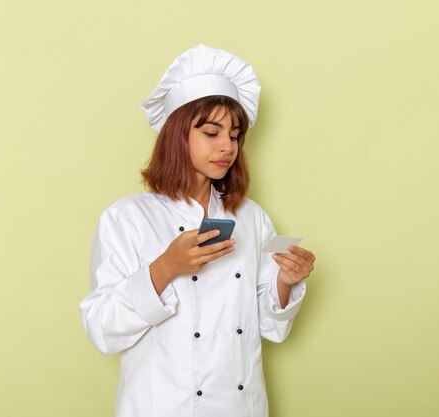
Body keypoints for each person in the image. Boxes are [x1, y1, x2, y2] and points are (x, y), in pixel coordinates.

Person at [79, 44, 315, 417]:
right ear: (177, 135)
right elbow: (102, 329)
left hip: (241, 406)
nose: (227, 147)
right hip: (160, 407)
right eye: (211, 132)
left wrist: (286, 281)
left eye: (235, 135)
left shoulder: (252, 218)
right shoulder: (126, 218)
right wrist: (165, 268)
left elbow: (271, 328)